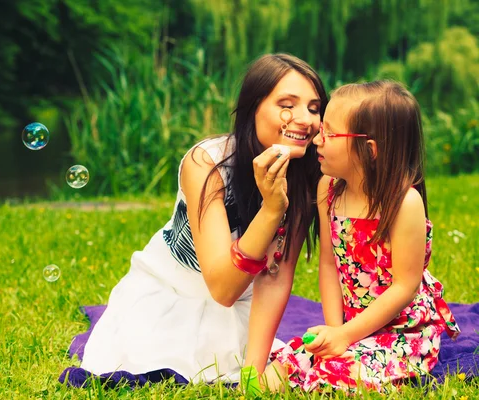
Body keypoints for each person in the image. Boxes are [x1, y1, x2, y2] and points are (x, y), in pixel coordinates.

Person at [60, 53, 328, 386]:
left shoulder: (305, 177)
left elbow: (275, 278)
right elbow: (223, 288)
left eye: (314, 108)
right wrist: (272, 210)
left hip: (245, 304)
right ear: (252, 109)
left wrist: (253, 373)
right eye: (287, 105)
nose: (304, 119)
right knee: (181, 360)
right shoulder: (208, 164)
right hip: (175, 294)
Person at [253, 80, 461, 393]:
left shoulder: (404, 203)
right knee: (281, 369)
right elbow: (328, 264)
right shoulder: (329, 188)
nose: (317, 140)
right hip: (350, 325)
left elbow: (405, 287)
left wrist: (345, 338)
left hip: (402, 331)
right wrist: (335, 332)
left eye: (330, 133)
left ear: (370, 150)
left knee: (337, 374)